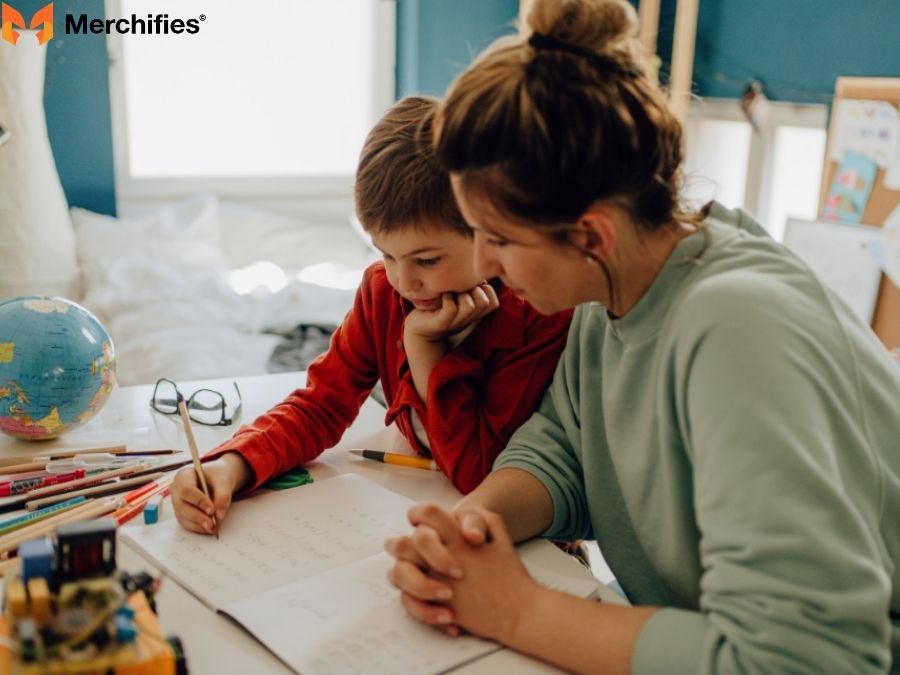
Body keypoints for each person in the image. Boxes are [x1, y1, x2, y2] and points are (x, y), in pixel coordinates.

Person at [384, 2, 900, 673]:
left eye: (500, 238)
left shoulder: (736, 328)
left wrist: (516, 611)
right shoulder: (614, 294)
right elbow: (568, 448)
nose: (482, 264)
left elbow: (807, 657)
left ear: (592, 234)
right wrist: (474, 526)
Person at [170, 96, 572, 534]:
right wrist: (232, 466)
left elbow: (480, 474)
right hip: (414, 504)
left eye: (427, 260)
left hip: (519, 540)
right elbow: (322, 404)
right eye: (386, 254)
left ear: (490, 231)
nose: (403, 281)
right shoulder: (382, 291)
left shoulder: (538, 317)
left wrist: (424, 351)